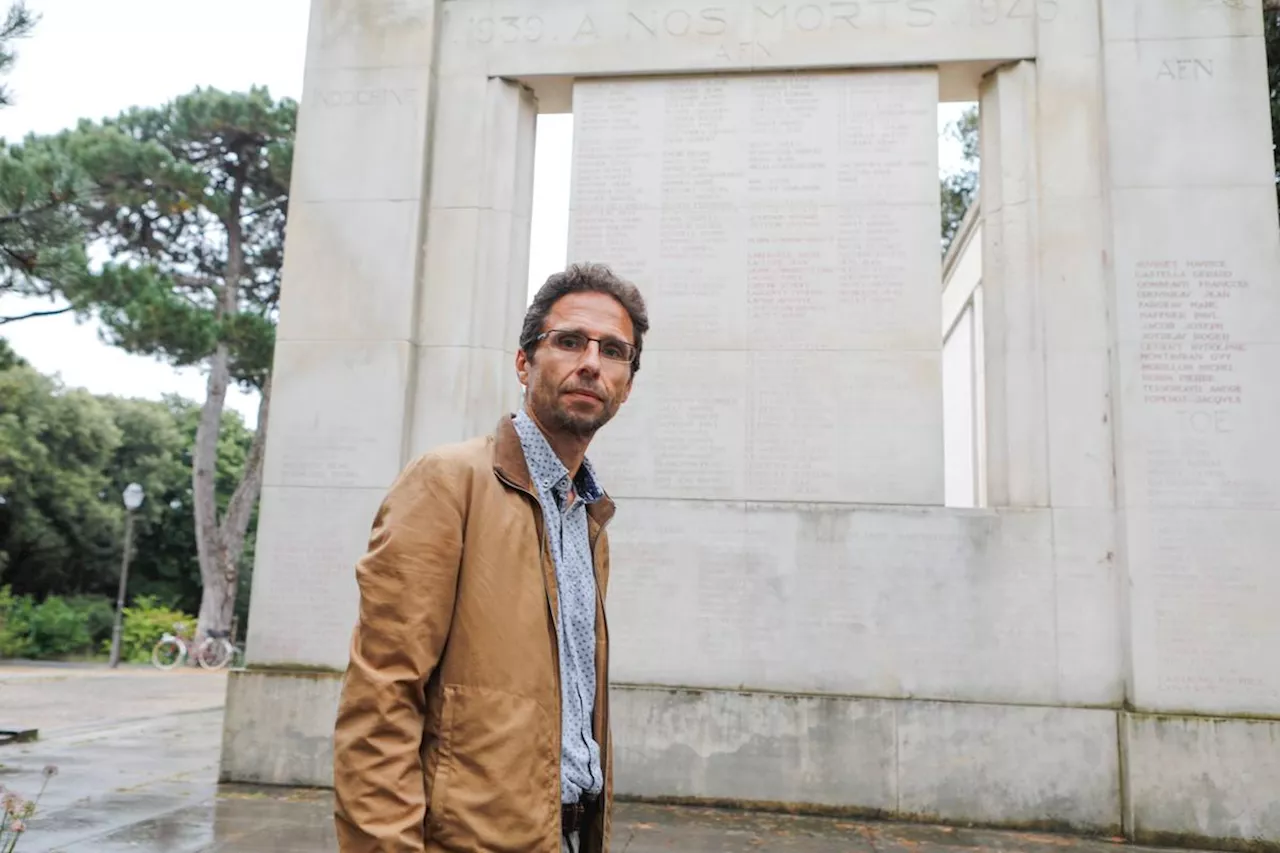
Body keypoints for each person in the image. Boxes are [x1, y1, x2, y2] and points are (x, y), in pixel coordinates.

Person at [332, 262, 649, 853]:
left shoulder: (590, 520)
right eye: (570, 341)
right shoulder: (449, 482)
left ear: (626, 384)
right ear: (524, 362)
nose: (591, 363)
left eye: (613, 351)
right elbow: (381, 701)